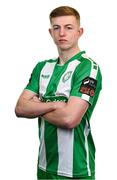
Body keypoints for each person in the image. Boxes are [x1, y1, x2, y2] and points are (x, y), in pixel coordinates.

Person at [15, 6, 102, 180]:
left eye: (68, 27)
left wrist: (37, 106)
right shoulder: (42, 68)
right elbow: (20, 108)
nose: (62, 33)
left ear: (79, 31)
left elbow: (70, 119)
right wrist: (55, 105)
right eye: (56, 28)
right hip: (44, 167)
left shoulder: (88, 68)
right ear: (51, 32)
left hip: (76, 171)